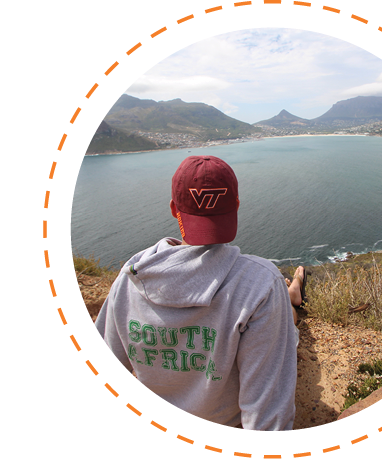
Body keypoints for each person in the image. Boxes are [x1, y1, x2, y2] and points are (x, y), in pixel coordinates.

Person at [93, 155, 298, 431]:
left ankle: (293, 292)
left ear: (174, 209)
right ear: (236, 205)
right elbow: (267, 417)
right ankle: (293, 292)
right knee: (288, 317)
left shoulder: (130, 278)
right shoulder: (260, 283)